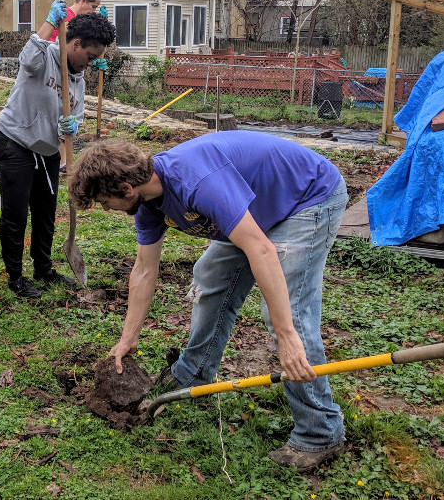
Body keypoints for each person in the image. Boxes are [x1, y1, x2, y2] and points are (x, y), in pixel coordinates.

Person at [67, 132, 349, 472]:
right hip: (256, 210)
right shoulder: (148, 205)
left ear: (126, 188)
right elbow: (143, 271)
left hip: (306, 198)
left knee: (289, 313)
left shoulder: (197, 182)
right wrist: (128, 338)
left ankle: (320, 431)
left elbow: (260, 249)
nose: (105, 209)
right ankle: (194, 374)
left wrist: (287, 336)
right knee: (211, 277)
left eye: (103, 201)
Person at [0, 4, 116, 298]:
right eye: (90, 56)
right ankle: (15, 278)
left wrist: (69, 128)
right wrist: (50, 21)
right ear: (74, 44)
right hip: (15, 142)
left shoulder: (78, 80)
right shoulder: (45, 57)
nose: (91, 62)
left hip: (46, 150)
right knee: (16, 213)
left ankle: (43, 269)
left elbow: (77, 114)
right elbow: (26, 58)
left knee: (46, 212)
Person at [46, 0, 105, 174]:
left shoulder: (80, 20)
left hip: (72, 74)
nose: (94, 11)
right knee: (60, 114)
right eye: (93, 7)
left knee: (68, 117)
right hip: (55, 72)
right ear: (83, 1)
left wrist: (93, 61)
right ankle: (62, 159)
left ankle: (63, 160)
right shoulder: (67, 18)